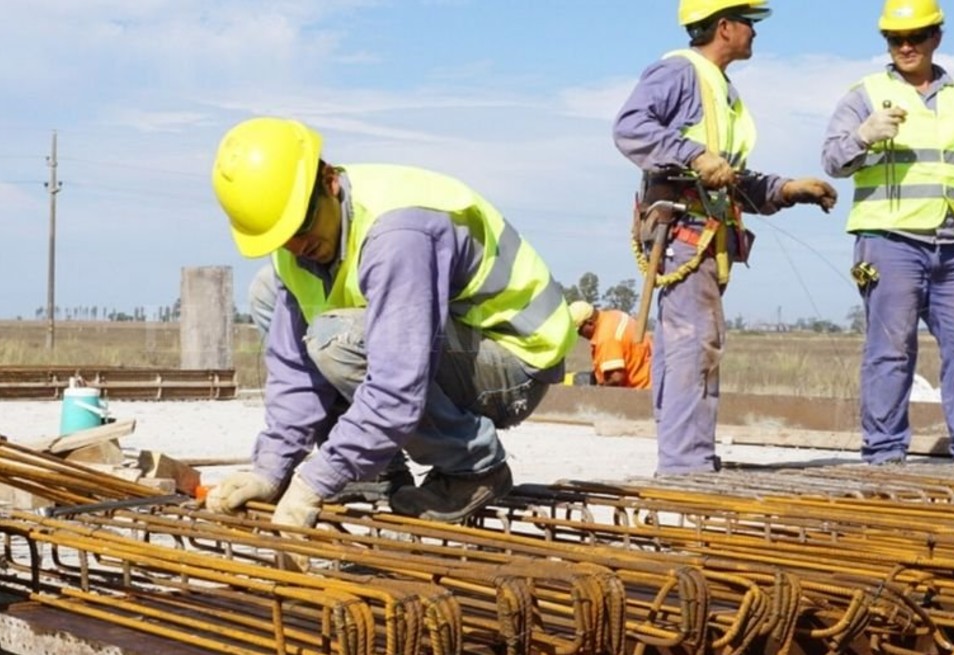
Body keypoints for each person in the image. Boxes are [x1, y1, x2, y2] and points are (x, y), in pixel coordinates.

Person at [205, 117, 574, 525]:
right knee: (269, 293)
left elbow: (397, 384)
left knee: (335, 340)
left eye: (301, 227)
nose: (297, 246)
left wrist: (315, 480)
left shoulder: (401, 231)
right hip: (441, 351)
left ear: (329, 181)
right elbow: (296, 372)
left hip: (512, 361)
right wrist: (269, 468)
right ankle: (375, 470)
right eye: (281, 239)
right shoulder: (295, 250)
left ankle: (474, 467)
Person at [612, 0, 838, 475]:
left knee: (692, 347)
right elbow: (631, 127)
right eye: (750, 24)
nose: (755, 33)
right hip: (685, 232)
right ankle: (685, 465)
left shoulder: (721, 88)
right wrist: (693, 156)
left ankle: (687, 457)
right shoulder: (679, 71)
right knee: (693, 344)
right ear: (725, 26)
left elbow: (727, 176)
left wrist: (785, 190)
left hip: (707, 234)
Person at [820, 0, 954, 465]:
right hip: (889, 241)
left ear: (936, 38)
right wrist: (863, 136)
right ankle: (885, 454)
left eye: (916, 37)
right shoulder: (864, 94)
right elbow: (832, 161)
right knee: (891, 350)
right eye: (895, 39)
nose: (905, 47)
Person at [567, 301, 653, 389]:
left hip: (639, 392)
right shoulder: (614, 315)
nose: (579, 335)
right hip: (651, 381)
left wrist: (596, 392)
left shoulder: (606, 337)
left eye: (579, 331)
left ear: (590, 323)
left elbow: (616, 379)